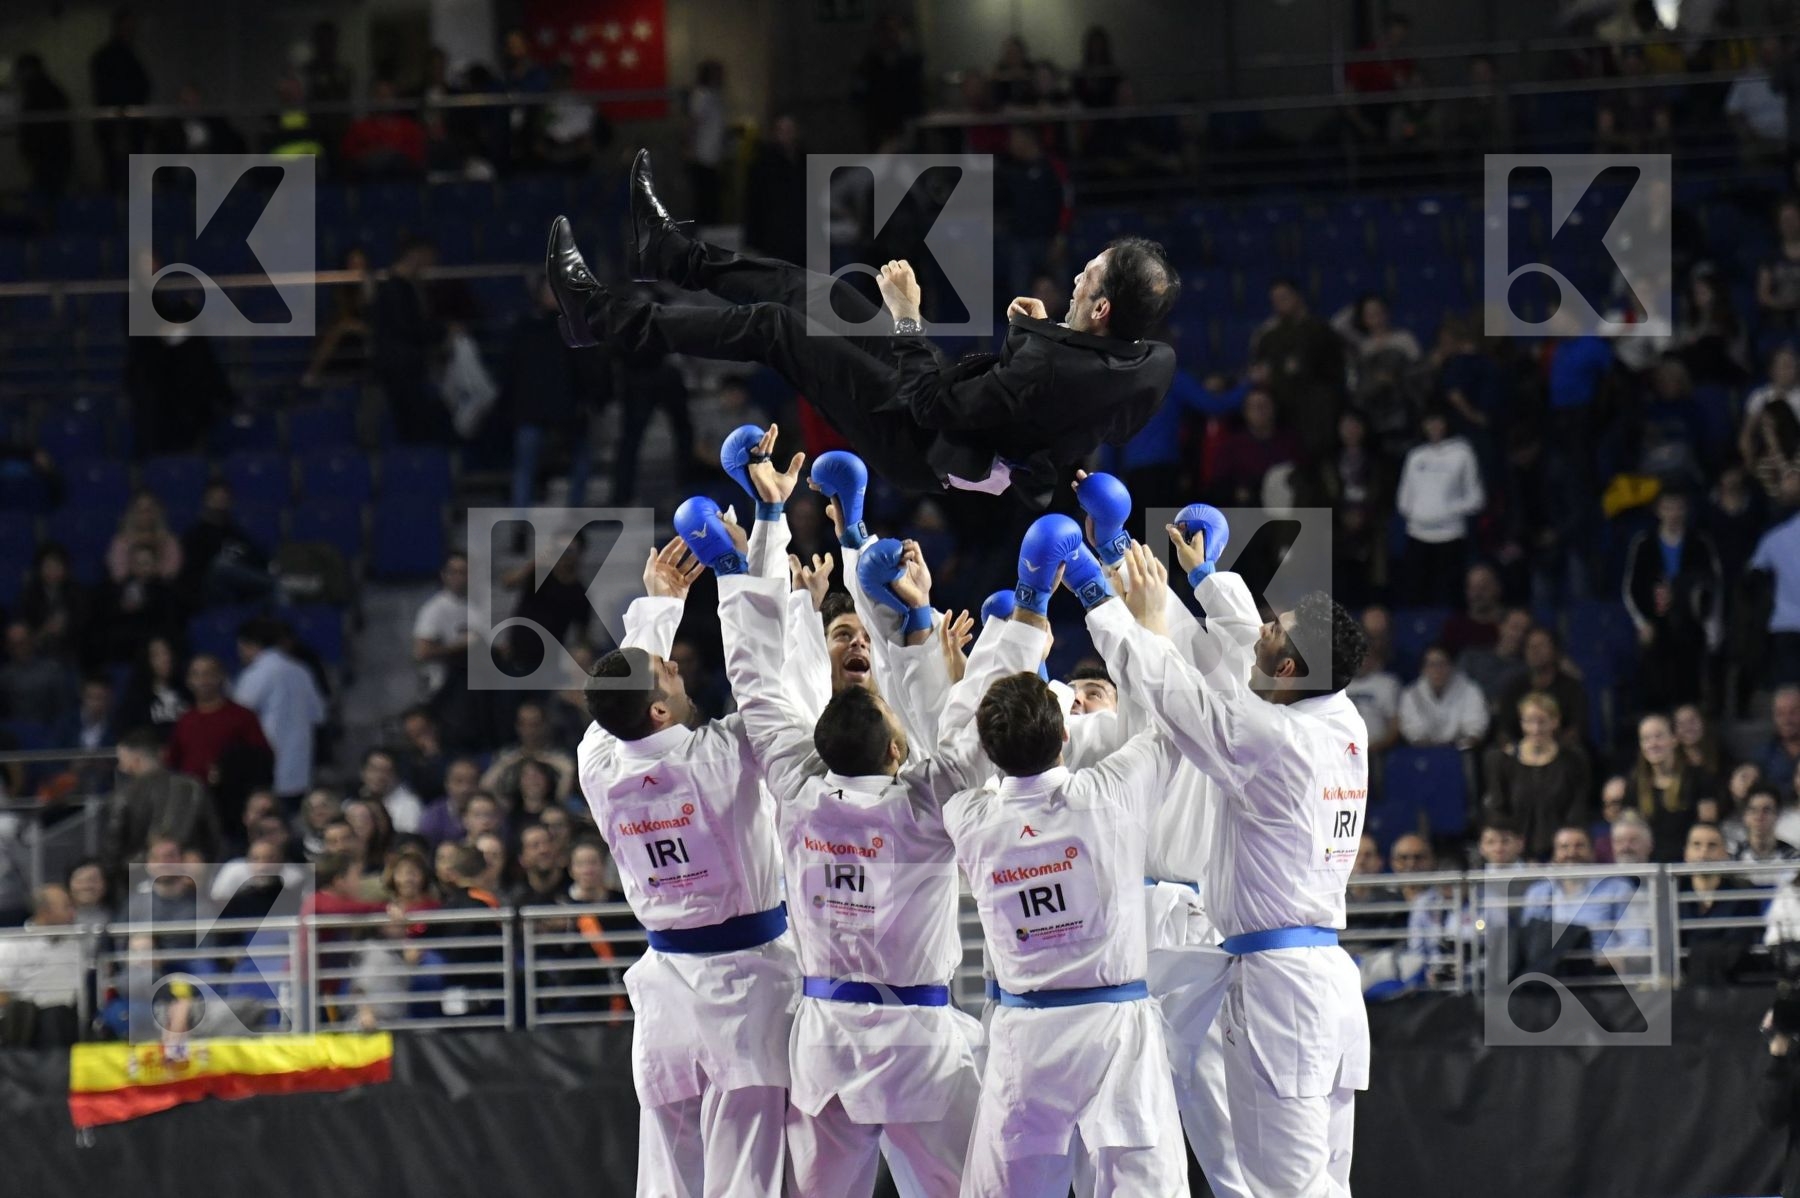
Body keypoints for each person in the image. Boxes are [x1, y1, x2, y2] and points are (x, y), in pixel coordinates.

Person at [706, 469, 1046, 1196]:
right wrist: (1028, 616)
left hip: (827, 1042)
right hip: (919, 1044)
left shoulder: (796, 791)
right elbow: (970, 735)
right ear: (897, 751)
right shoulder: (921, 805)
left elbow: (758, 691)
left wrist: (736, 579)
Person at [546, 150, 1180, 511]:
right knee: (822, 294)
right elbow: (1048, 405)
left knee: (776, 328)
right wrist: (1033, 337)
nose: (1075, 278)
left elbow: (933, 405)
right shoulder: (1141, 356)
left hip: (916, 437)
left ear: (1101, 311)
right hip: (950, 396)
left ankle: (600, 317)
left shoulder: (1060, 369)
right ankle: (670, 253)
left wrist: (908, 312)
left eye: (1088, 279)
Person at [1085, 530, 1371, 1198]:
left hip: (1283, 992)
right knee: (1325, 1181)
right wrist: (1208, 578)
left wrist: (1108, 601)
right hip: (1322, 981)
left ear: (1292, 671)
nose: (1264, 629)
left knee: (1284, 1187)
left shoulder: (1275, 745)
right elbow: (1254, 649)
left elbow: (1171, 691)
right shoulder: (1341, 721)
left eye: (1278, 630)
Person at [937, 536, 1187, 1196]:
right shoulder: (1110, 795)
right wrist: (1139, 611)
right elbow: (1171, 721)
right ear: (1066, 733)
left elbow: (956, 750)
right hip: (1115, 1033)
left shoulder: (969, 817)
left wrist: (1013, 627)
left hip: (1025, 1035)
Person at [576, 536, 798, 1197]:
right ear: (658, 709)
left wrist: (660, 602)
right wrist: (747, 575)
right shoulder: (724, 753)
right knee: (747, 1177)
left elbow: (623, 692)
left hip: (666, 992)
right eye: (666, 673)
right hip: (747, 989)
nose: (676, 666)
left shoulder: (600, 760)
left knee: (668, 1177)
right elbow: (764, 684)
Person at [505, 275, 607, 512]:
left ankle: (572, 517)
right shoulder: (526, 329)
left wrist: (593, 400)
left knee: (579, 460)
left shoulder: (573, 328)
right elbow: (511, 371)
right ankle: (521, 523)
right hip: (534, 411)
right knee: (525, 467)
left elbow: (588, 369)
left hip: (565, 410)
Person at [1623, 490, 1724, 710]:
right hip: (1657, 625)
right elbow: (1631, 588)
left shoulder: (1699, 541)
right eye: (1668, 507)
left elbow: (1713, 585)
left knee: (1689, 686)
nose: (1673, 513)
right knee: (1656, 684)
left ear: (1686, 510)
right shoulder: (1644, 543)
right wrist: (1643, 623)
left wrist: (1711, 625)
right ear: (1658, 511)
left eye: (1678, 506)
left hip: (1691, 625)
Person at [1396, 407, 1485, 608]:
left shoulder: (1462, 452)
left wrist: (1447, 510)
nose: (1434, 426)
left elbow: (1476, 498)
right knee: (1416, 592)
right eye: (1430, 421)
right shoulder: (1416, 455)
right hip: (1418, 534)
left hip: (1451, 535)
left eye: (1438, 421)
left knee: (1448, 592)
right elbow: (1404, 498)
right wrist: (1418, 513)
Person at [1484, 694, 1591, 861]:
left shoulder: (1573, 760)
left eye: (1542, 721)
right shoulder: (1502, 761)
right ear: (1522, 723)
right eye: (1529, 721)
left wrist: (1562, 850)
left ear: (1555, 721)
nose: (1536, 728)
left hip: (1561, 854)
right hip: (1517, 854)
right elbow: (1499, 809)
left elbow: (1577, 809)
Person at [103, 729, 221, 881]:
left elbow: (112, 848)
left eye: (121, 761)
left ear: (135, 761)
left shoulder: (123, 796)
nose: (120, 768)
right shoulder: (193, 786)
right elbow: (213, 838)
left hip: (138, 878)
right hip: (191, 877)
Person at [233, 618, 326, 807]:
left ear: (249, 645)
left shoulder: (256, 674)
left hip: (267, 767)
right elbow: (319, 714)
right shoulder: (301, 670)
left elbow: (238, 717)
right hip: (299, 768)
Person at [166, 655, 270, 794]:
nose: (203, 680)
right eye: (196, 674)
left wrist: (230, 770)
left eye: (208, 673)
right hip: (192, 799)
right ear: (189, 681)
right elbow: (173, 762)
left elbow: (263, 758)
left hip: (233, 798)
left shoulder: (243, 716)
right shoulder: (185, 720)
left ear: (221, 676)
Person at [0, 884, 83, 1047]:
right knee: (51, 1017)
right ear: (45, 912)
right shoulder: (13, 945)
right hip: (29, 1023)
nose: (73, 913)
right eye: (66, 907)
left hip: (73, 1017)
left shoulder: (77, 943)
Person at [1495, 625, 1590, 750]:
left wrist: (1549, 750)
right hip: (1521, 752)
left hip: (1560, 750)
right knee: (1494, 756)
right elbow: (1504, 728)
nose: (1535, 650)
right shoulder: (1514, 686)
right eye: (1530, 646)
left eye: (1541, 645)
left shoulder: (1572, 687)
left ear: (1555, 651)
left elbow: (1577, 729)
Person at [1632, 713, 1710, 862]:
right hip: (1648, 867)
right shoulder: (1634, 784)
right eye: (1646, 739)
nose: (1653, 744)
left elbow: (1707, 826)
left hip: (1688, 865)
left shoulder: (1697, 777)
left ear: (1674, 739)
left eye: (1658, 736)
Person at [89, 7, 152, 193]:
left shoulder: (126, 54)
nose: (132, 30)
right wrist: (120, 123)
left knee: (128, 170)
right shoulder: (110, 56)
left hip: (128, 122)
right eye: (128, 25)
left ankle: (125, 208)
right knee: (118, 169)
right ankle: (118, 212)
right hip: (120, 123)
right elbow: (113, 92)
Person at [1399, 644, 1490, 748]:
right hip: (1424, 753)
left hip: (1461, 752)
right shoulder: (1411, 694)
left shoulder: (1470, 689)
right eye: (1432, 664)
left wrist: (1456, 748)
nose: (1437, 670)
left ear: (1451, 666)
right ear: (1423, 669)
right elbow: (1414, 732)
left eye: (1442, 664)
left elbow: (1475, 729)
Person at [14, 53, 73, 200]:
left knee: (50, 195)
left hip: (48, 155)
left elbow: (38, 128)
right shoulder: (48, 90)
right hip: (52, 154)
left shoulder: (40, 92)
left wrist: (32, 150)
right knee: (51, 194)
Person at [1751, 511, 1800, 687]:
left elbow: (1755, 569)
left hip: (1785, 622)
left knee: (1789, 686)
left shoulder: (1777, 536)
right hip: (1786, 622)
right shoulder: (1777, 536)